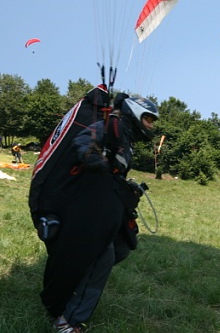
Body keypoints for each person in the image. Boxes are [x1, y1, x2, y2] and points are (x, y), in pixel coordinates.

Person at [29, 95, 158, 332]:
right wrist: (92, 157)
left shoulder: (124, 136)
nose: (151, 125)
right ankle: (67, 321)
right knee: (101, 258)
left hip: (102, 208)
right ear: (135, 113)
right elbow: (82, 141)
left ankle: (73, 295)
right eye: (148, 118)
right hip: (88, 208)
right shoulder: (108, 126)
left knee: (119, 249)